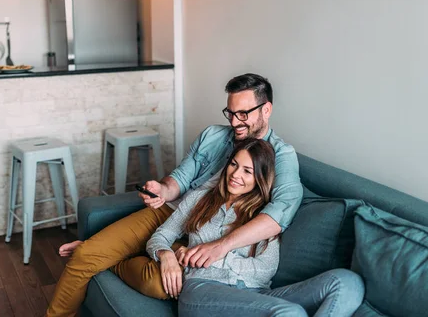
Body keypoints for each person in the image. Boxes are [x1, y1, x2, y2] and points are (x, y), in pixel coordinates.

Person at [47, 73, 304, 316]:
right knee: (85, 257)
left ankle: (113, 253)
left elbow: (280, 213)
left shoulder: (281, 155)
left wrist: (220, 246)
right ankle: (100, 253)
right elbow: (180, 178)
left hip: (203, 230)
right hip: (173, 211)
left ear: (266, 110)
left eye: (243, 114)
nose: (235, 122)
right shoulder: (212, 135)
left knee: (164, 284)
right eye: (231, 113)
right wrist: (163, 190)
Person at [148, 138, 365, 317]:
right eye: (233, 164)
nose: (235, 175)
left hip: (257, 295)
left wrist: (214, 255)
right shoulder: (199, 199)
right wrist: (166, 255)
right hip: (203, 288)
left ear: (260, 177)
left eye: (247, 171)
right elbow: (161, 236)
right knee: (290, 313)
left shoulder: (264, 217)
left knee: (347, 282)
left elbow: (265, 269)